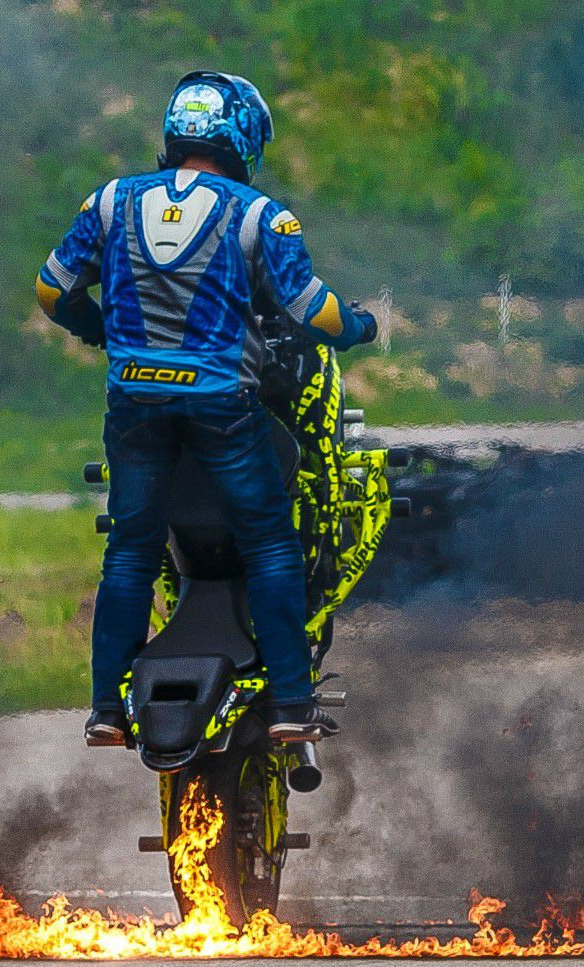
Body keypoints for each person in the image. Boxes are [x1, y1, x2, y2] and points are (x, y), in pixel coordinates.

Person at [36, 70, 378, 747]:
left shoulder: (108, 202)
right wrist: (362, 327)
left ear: (174, 132)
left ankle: (107, 707)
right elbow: (312, 309)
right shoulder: (259, 215)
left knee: (130, 552)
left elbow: (52, 293)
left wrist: (99, 329)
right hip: (223, 408)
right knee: (271, 545)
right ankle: (288, 702)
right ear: (243, 138)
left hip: (135, 405)